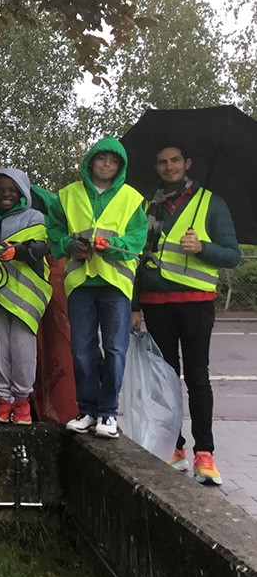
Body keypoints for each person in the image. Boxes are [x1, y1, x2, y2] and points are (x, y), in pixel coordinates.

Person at [134, 143, 241, 485]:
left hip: (196, 303)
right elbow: (138, 259)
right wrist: (135, 305)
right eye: (163, 162)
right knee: (164, 379)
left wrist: (202, 248)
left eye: (175, 160)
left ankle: (204, 453)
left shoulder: (212, 203)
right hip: (155, 302)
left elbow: (232, 255)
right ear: (157, 167)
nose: (169, 167)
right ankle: (174, 446)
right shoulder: (147, 206)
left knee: (197, 377)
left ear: (188, 163)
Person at [48, 138, 147, 440]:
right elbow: (54, 231)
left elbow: (136, 240)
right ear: (90, 161)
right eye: (102, 159)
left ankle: (109, 413)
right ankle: (88, 410)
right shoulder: (66, 195)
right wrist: (69, 244)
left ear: (120, 166)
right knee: (81, 349)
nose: (107, 165)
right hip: (80, 283)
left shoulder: (132, 199)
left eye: (113, 161)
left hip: (115, 284)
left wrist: (113, 246)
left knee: (116, 350)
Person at [0, 168, 51, 425]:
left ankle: (22, 400)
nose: (5, 194)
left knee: (23, 350)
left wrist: (19, 251)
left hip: (25, 300)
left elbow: (41, 247)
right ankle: (2, 400)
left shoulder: (34, 218)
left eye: (11, 189)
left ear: (22, 191)